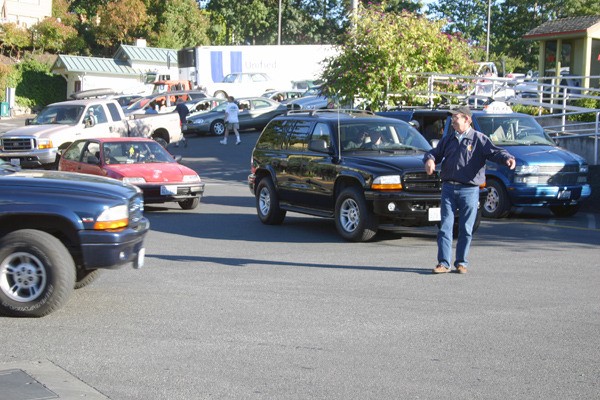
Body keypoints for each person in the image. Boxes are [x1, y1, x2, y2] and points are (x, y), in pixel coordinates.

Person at [423, 105, 516, 275]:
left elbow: (496, 153)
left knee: (466, 228)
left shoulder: (479, 139)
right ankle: (443, 263)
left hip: (469, 190)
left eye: (456, 117)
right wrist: (429, 160)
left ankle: (461, 263)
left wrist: (508, 159)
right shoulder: (449, 139)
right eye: (451, 118)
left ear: (467, 119)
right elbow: (434, 153)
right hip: (448, 189)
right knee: (445, 227)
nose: (452, 121)